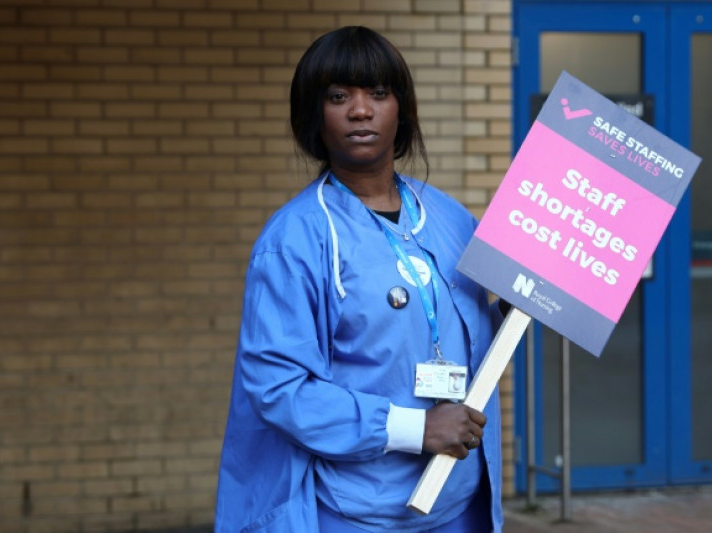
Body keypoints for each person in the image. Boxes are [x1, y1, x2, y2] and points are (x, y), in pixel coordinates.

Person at [215, 26, 504, 533]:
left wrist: (539, 300)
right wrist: (416, 428)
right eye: (338, 96)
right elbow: (281, 390)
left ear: (402, 109)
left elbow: (477, 333)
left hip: (457, 503)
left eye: (378, 93)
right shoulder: (294, 242)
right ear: (314, 115)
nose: (360, 111)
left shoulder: (451, 219)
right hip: (357, 512)